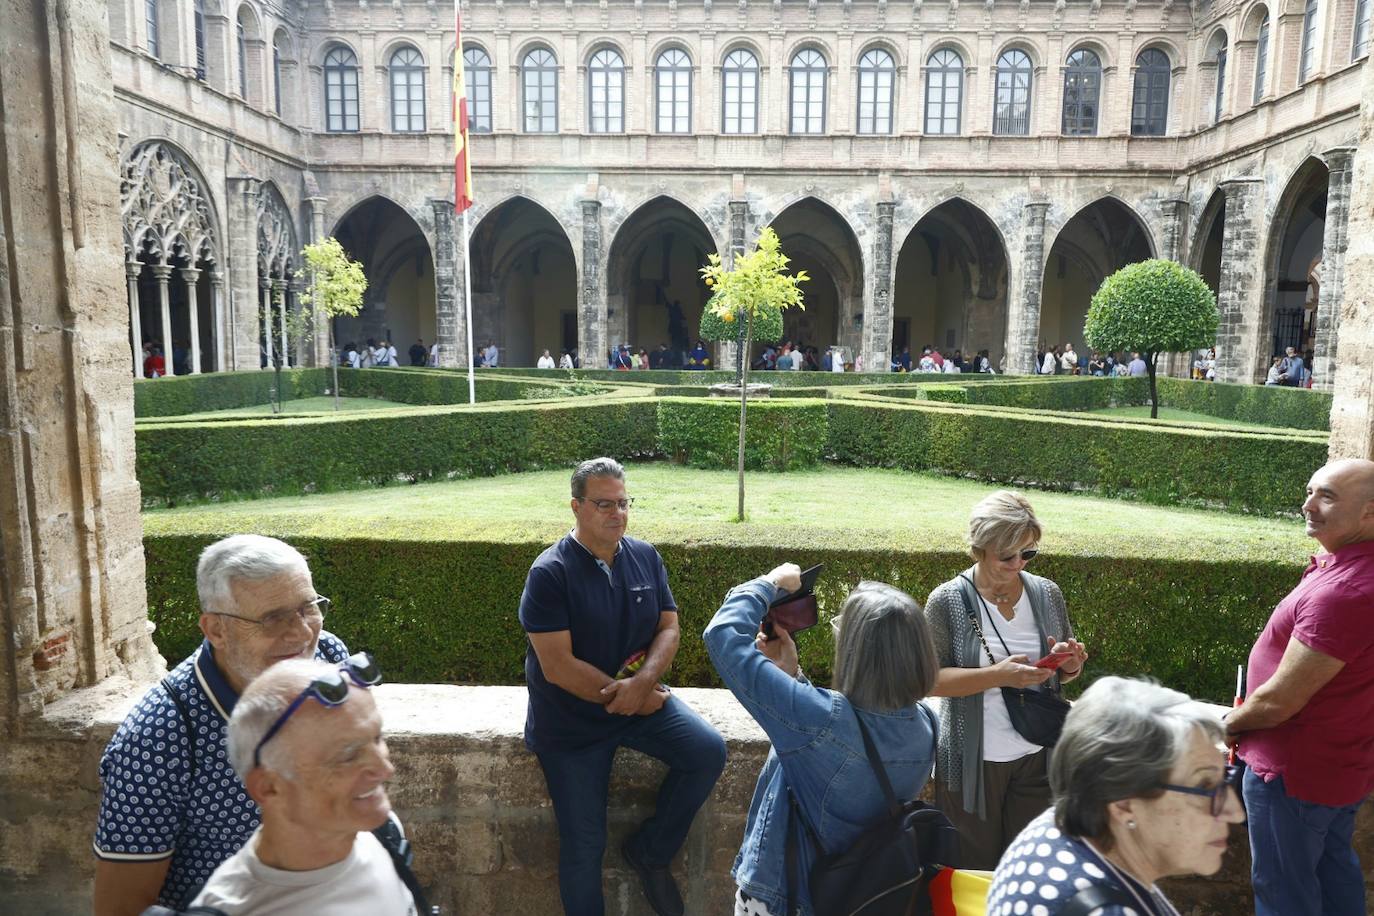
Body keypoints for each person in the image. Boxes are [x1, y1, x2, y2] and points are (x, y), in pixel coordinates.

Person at [93, 535, 351, 915]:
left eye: (308, 607)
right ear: (215, 630)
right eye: (273, 618)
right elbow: (121, 908)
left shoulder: (326, 656)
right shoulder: (158, 739)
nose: (301, 633)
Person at [519, 458, 727, 916]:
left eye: (624, 503)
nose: (617, 513)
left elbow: (669, 627)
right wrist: (630, 697)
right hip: (571, 725)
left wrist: (645, 683)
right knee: (584, 844)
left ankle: (650, 852)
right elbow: (557, 667)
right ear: (576, 507)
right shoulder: (549, 573)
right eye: (604, 504)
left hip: (641, 701)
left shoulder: (645, 556)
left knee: (707, 752)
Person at [704, 567, 939, 916]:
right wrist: (793, 678)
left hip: (785, 896)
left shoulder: (820, 721)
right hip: (855, 895)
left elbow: (722, 636)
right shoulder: (925, 724)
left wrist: (768, 584)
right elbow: (842, 740)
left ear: (858, 654)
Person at [1225, 458, 1374, 916]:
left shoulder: (1345, 591)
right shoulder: (1348, 570)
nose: (1308, 504)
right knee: (1334, 877)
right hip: (1338, 766)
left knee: (1284, 893)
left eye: (1326, 496)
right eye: (1310, 491)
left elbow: (1279, 702)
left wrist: (1227, 722)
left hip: (1293, 773)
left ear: (1370, 513)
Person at [922, 490, 1088, 869]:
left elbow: (1064, 674)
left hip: (1037, 755)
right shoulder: (947, 600)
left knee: (1031, 868)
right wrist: (998, 676)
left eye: (1028, 553)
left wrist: (1070, 663)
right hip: (971, 764)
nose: (1018, 564)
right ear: (979, 549)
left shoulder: (1046, 593)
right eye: (1007, 555)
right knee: (973, 873)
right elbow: (929, 680)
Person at [989, 677, 1245, 915]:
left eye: (1224, 780)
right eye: (1205, 787)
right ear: (1123, 802)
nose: (1235, 812)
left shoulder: (1056, 826)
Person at [189, 657, 418, 915]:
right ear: (268, 787)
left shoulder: (381, 833)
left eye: (377, 738)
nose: (386, 770)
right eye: (348, 755)